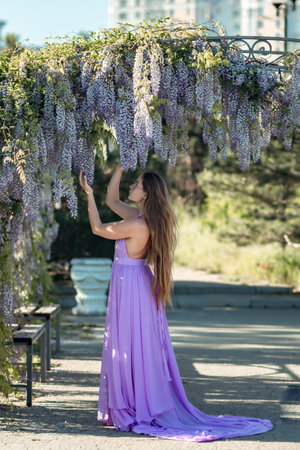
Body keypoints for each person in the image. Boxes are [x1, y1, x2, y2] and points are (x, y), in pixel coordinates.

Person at [79, 165, 273, 443]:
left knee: (128, 345)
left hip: (132, 288)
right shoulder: (145, 218)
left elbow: (98, 228)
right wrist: (119, 169)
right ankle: (135, 401)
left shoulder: (137, 224)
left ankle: (134, 406)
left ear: (146, 193)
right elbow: (111, 201)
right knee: (136, 346)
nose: (131, 187)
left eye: (136, 184)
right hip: (137, 284)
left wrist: (87, 194)